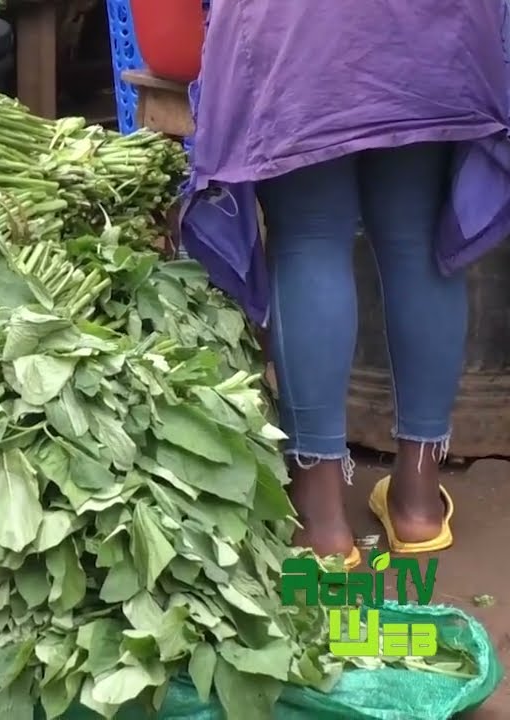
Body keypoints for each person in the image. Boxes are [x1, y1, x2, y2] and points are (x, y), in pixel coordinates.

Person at [179, 0, 510, 567]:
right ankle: (418, 503)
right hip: (429, 23)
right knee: (417, 238)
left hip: (297, 28)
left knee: (310, 239)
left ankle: (322, 516)